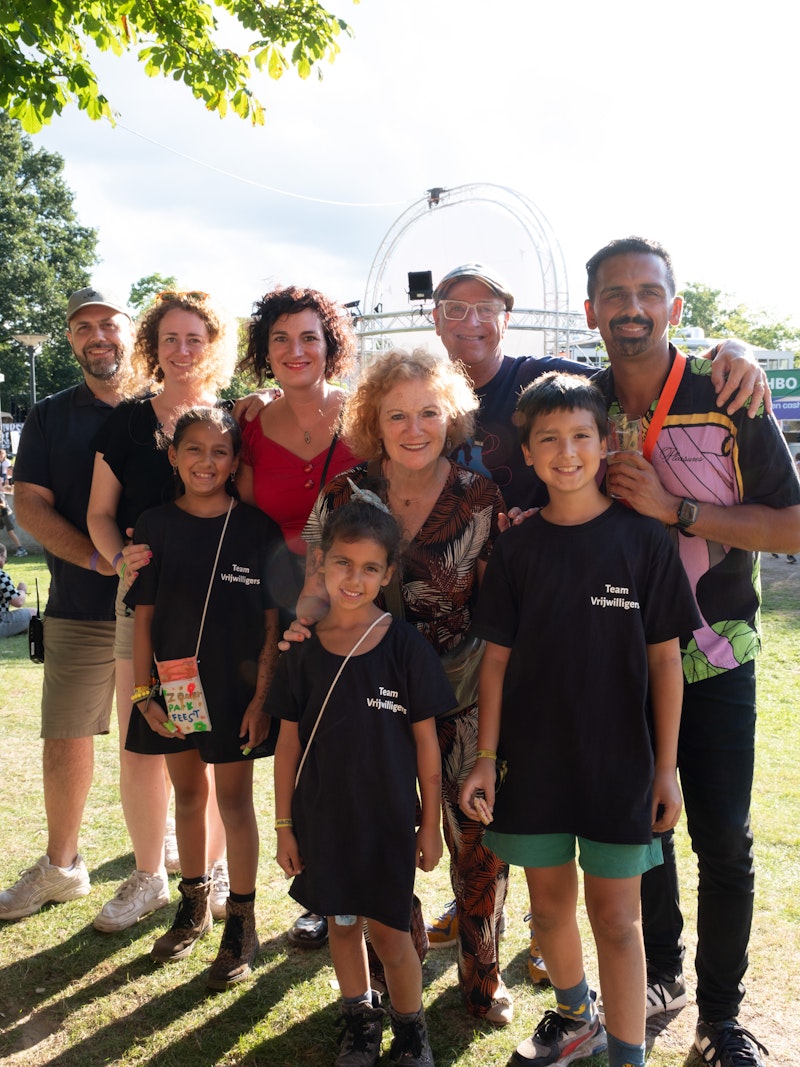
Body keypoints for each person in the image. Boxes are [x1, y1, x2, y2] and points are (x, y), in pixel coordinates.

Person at [585, 236, 800, 1067]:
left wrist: (677, 509)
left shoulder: (728, 392)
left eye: (648, 292)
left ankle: (721, 1015)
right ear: (593, 310)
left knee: (723, 835)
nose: (631, 307)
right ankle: (662, 972)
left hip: (716, 653)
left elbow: (789, 525)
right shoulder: (576, 396)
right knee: (646, 822)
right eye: (614, 294)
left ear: (675, 308)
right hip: (618, 656)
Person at [459, 371, 698, 1067]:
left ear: (606, 442)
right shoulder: (519, 549)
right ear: (528, 455)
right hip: (533, 765)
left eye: (581, 437)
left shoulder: (645, 542)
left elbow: (665, 663)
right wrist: (484, 755)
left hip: (620, 764)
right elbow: (495, 663)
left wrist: (666, 767)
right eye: (549, 440)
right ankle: (575, 1015)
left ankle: (627, 1053)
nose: (567, 452)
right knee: (550, 908)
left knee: (618, 920)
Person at [291, 348, 513, 1024]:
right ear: (372, 419)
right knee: (386, 831)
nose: (414, 428)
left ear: (449, 415)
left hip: (464, 689)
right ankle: (397, 965)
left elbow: (504, 609)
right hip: (369, 697)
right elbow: (314, 584)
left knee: (476, 839)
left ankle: (483, 972)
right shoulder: (343, 494)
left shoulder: (481, 498)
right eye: (397, 415)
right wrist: (302, 628)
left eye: (427, 412)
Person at [271, 496, 452, 1067]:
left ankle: (411, 1033)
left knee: (393, 935)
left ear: (388, 574)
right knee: (341, 926)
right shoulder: (301, 651)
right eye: (343, 564)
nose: (355, 578)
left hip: (387, 823)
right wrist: (283, 827)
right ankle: (359, 1022)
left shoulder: (404, 647)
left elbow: (427, 747)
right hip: (322, 819)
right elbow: (286, 745)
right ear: (321, 562)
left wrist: (429, 827)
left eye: (370, 568)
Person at [86, 290, 237, 933]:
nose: (182, 351)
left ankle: (216, 869)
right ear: (153, 345)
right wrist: (126, 564)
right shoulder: (124, 422)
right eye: (170, 339)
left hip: (220, 615)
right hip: (146, 612)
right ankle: (149, 873)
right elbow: (98, 514)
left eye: (194, 339)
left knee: (214, 745)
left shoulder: (235, 419)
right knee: (143, 743)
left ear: (213, 347)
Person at [125, 407, 280, 989]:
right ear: (173, 456)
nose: (206, 462)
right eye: (193, 449)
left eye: (220, 452)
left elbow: (271, 626)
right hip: (170, 690)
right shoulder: (156, 524)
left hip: (235, 690)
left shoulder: (256, 528)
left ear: (236, 461)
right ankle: (191, 905)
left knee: (234, 803)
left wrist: (261, 698)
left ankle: (241, 921)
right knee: (187, 796)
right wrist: (144, 695)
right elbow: (142, 620)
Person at [432, 263, 772, 515]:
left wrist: (731, 349)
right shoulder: (421, 398)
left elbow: (640, 370)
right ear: (437, 319)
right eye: (456, 309)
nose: (471, 321)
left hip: (535, 569)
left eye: (486, 309)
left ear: (505, 320)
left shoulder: (542, 378)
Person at [0, 287, 131, 921]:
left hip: (169, 612)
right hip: (80, 603)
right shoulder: (52, 415)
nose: (97, 335)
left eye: (108, 322)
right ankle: (62, 867)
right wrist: (95, 559)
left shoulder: (175, 404)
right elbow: (28, 505)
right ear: (72, 340)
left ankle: (181, 862)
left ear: (131, 330)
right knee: (67, 736)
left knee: (168, 733)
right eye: (83, 327)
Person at [237, 285, 361, 625]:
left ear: (328, 346)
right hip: (277, 602)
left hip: (358, 599)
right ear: (265, 350)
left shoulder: (366, 417)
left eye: (309, 337)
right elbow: (245, 519)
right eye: (280, 338)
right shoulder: (250, 427)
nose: (295, 350)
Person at [0, 542, 31, 637]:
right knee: (33, 613)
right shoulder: (2, 576)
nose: (4, 563)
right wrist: (22, 590)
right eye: (5, 559)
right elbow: (18, 602)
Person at [0, 488, 29, 557]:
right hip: (2, 515)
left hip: (6, 515)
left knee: (10, 532)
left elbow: (3, 504)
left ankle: (21, 549)